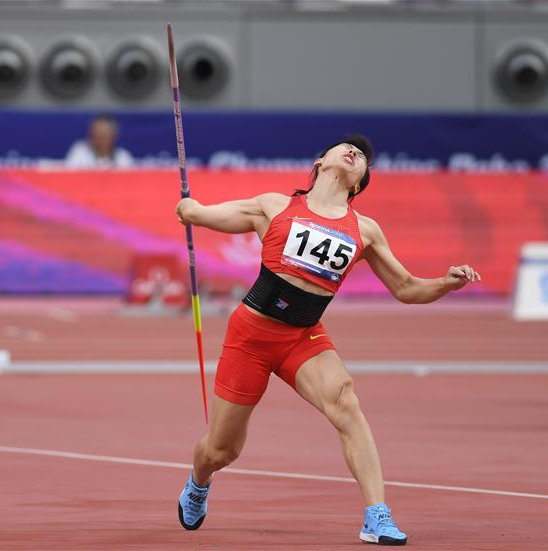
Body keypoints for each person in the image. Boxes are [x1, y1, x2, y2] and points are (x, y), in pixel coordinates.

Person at [174, 134, 480, 546]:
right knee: (223, 450)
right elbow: (205, 214)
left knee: (346, 402)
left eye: (362, 159)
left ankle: (377, 514)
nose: (354, 153)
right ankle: (199, 481)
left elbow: (406, 288)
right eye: (346, 148)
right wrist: (189, 209)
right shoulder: (274, 206)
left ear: (358, 183)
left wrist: (446, 283)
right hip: (251, 335)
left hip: (302, 336)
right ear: (320, 161)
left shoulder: (365, 231)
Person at [64, 115, 134, 169]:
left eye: (101, 136)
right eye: (93, 135)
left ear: (113, 137)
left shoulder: (123, 157)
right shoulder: (80, 152)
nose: (95, 140)